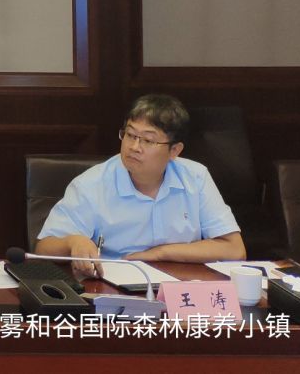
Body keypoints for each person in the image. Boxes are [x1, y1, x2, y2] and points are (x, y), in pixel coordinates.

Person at [36, 94, 246, 277]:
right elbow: (43, 249)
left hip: (181, 289)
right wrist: (73, 242)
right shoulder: (91, 184)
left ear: (174, 150)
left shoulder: (196, 177)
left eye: (148, 140)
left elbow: (234, 249)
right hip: (112, 290)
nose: (134, 147)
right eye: (130, 135)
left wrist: (159, 253)